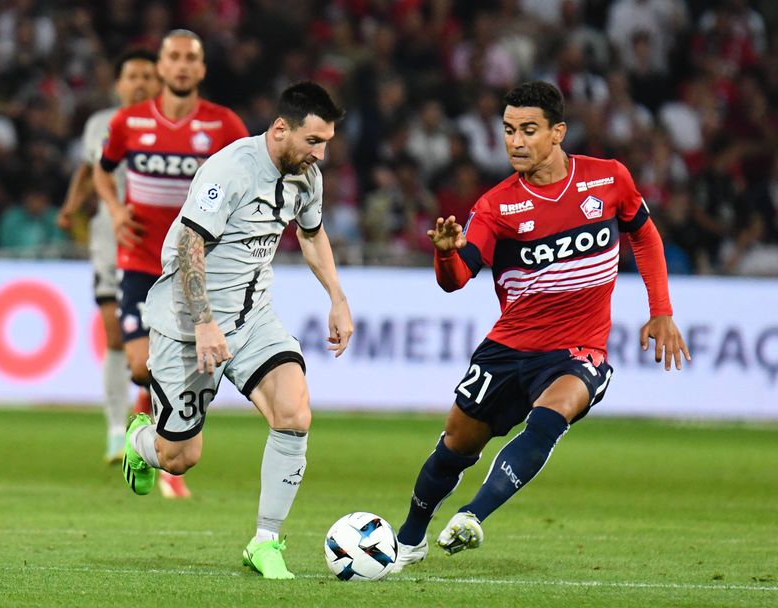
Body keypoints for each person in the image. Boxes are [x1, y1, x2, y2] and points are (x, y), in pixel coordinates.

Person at [392, 81, 691, 571]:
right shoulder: (496, 206)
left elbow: (645, 235)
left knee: (554, 414)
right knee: (456, 445)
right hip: (508, 349)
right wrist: (445, 254)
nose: (515, 141)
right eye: (508, 130)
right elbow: (457, 278)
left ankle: (472, 515)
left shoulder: (608, 179)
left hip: (577, 349)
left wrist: (661, 309)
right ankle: (409, 539)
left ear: (558, 132)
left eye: (528, 130)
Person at [121, 81, 352, 580]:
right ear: (281, 130)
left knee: (294, 412)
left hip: (252, 320)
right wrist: (204, 323)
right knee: (179, 457)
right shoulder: (229, 170)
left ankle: (265, 542)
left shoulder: (306, 177)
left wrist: (337, 297)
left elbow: (312, 235)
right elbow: (189, 246)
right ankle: (140, 441)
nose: (321, 154)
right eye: (313, 141)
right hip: (188, 324)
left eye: (326, 142)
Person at [93, 30, 249, 498]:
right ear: (161, 67)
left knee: (192, 364)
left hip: (198, 266)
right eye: (174, 57)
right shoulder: (128, 122)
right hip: (143, 259)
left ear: (201, 69)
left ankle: (164, 453)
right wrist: (116, 210)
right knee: (141, 366)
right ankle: (147, 432)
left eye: (190, 58)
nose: (181, 65)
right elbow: (103, 170)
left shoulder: (224, 125)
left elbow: (251, 176)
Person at [56, 49, 160, 465]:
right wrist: (70, 207)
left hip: (158, 242)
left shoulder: (169, 127)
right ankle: (117, 431)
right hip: (109, 238)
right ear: (118, 84)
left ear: (159, 82)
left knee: (158, 342)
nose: (139, 84)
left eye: (147, 76)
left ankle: (154, 423)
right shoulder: (101, 124)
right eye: (132, 76)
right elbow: (89, 170)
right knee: (115, 334)